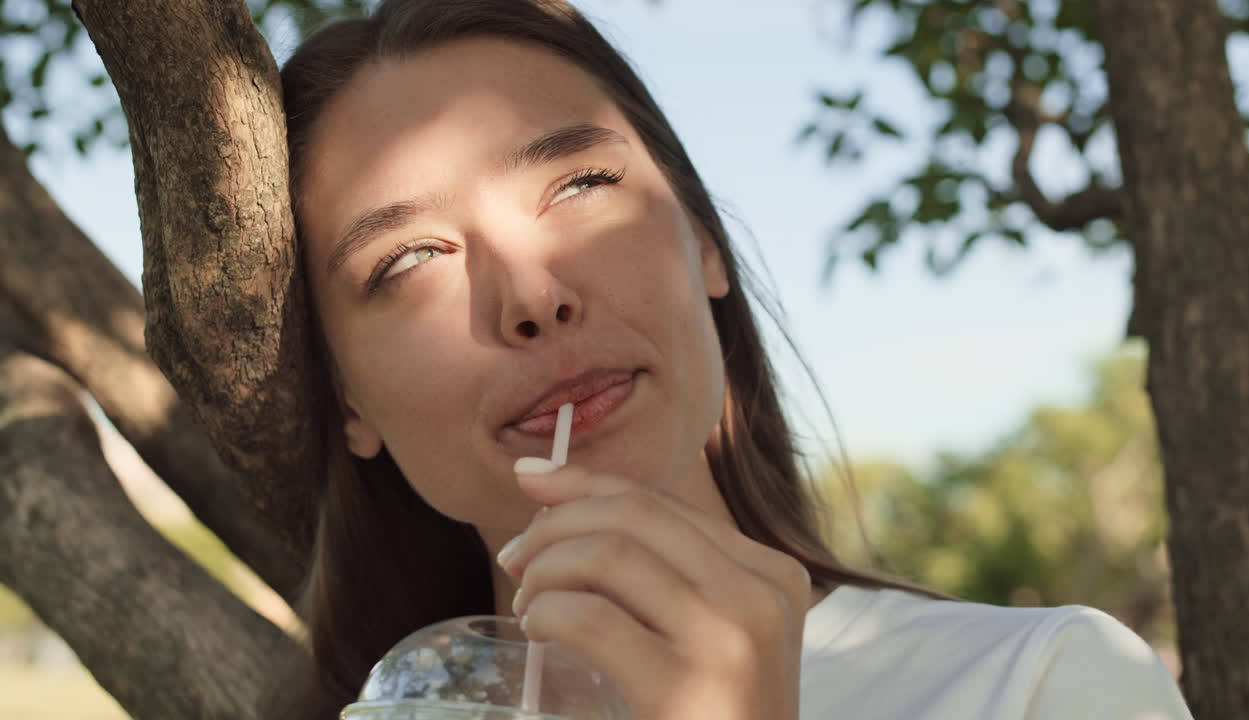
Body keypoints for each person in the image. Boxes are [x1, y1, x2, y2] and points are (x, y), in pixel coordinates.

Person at [270, 1, 1195, 718]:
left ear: (702, 241)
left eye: (582, 183)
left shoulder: (1042, 686)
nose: (531, 295)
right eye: (407, 260)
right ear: (346, 397)